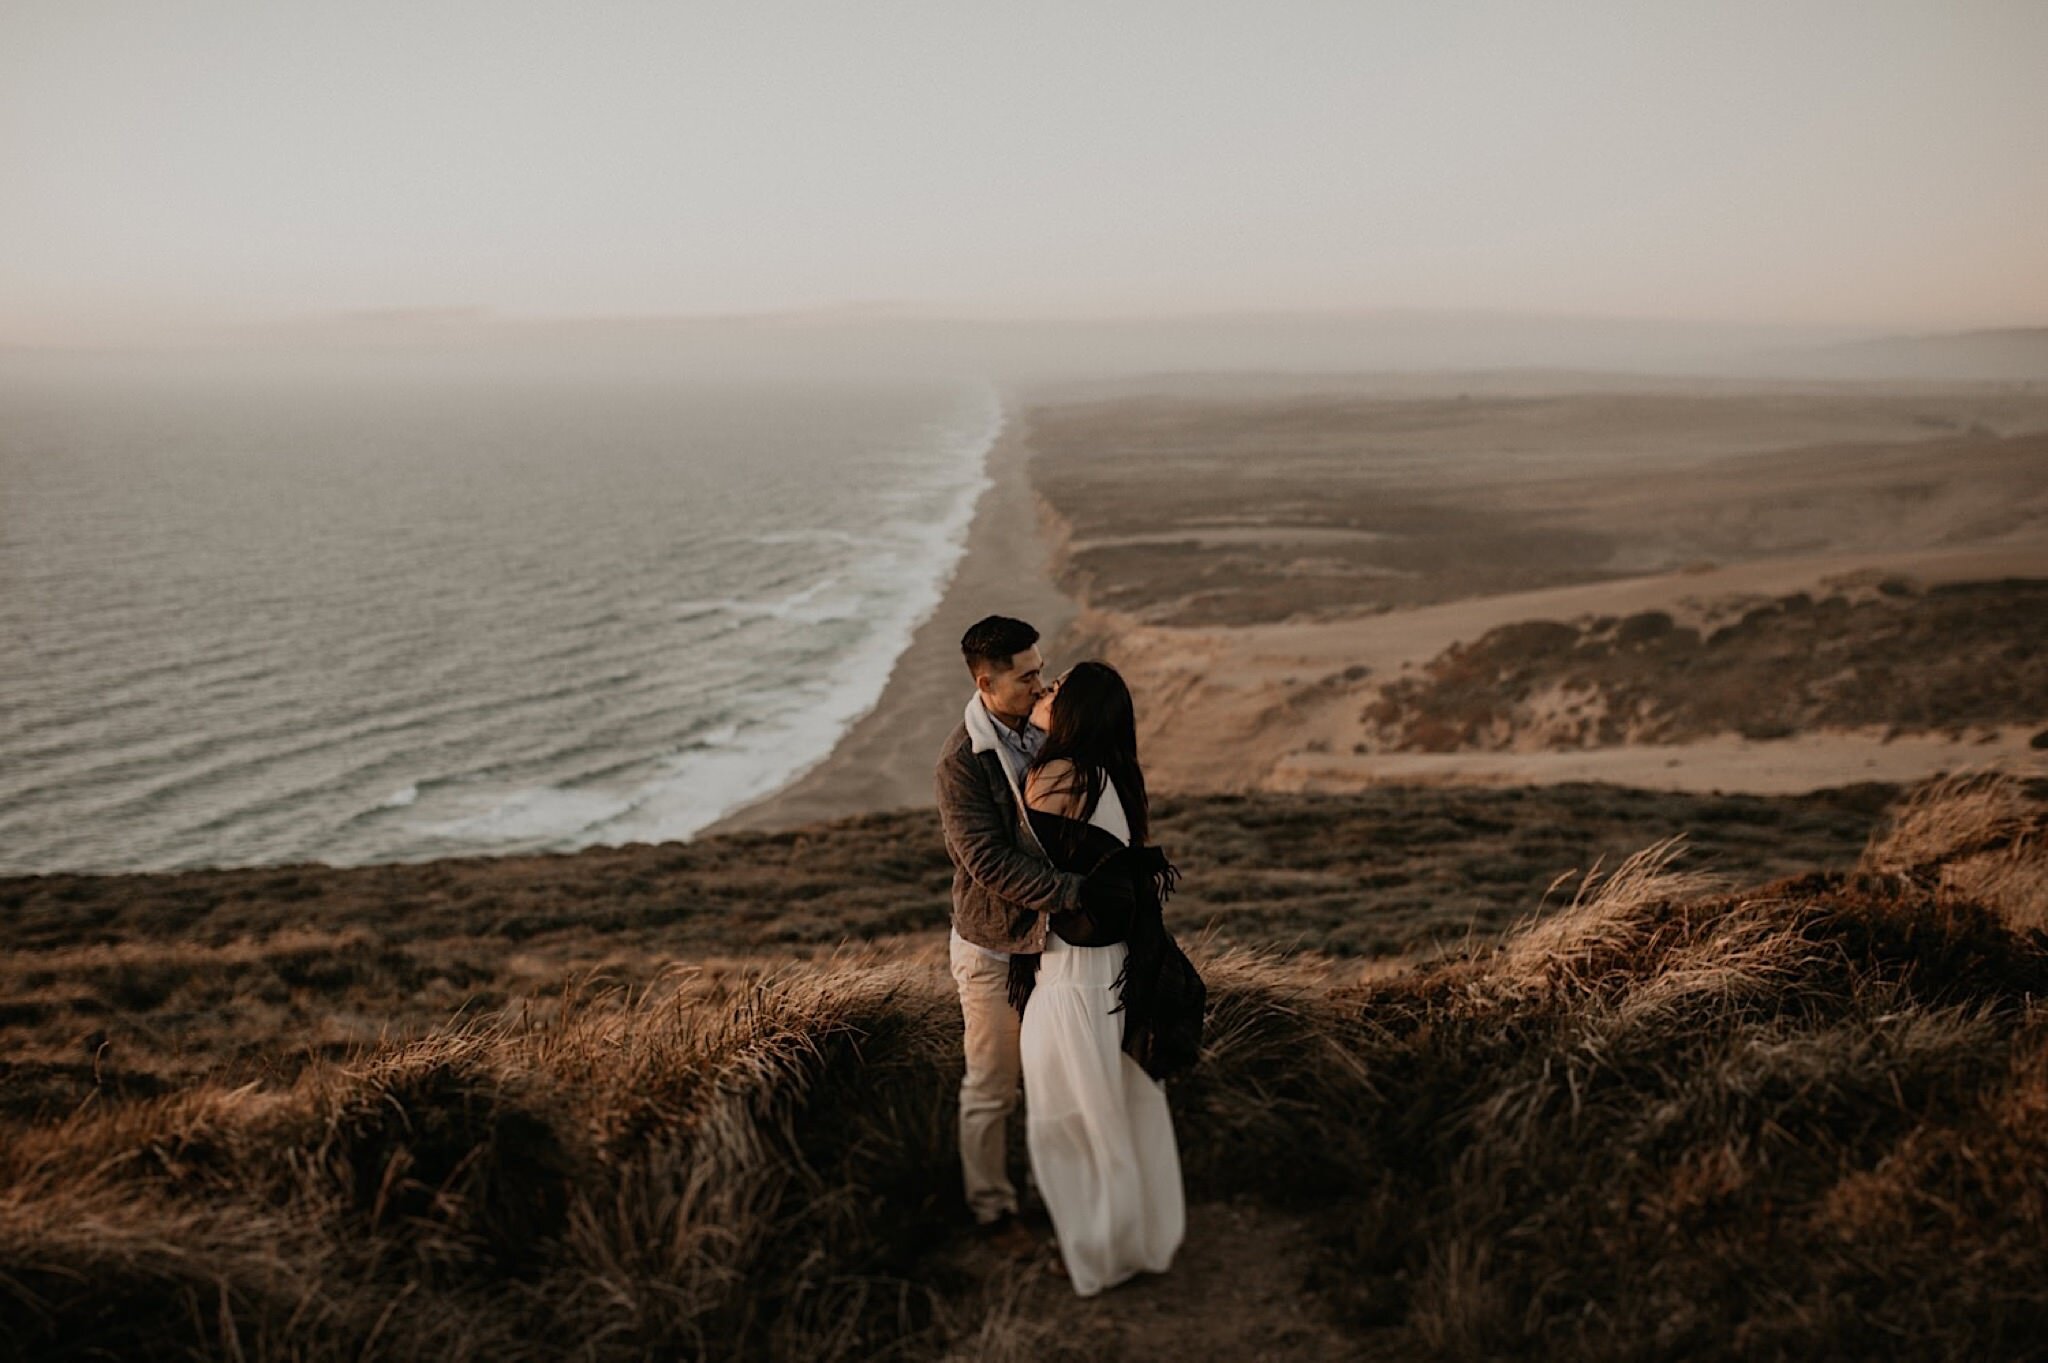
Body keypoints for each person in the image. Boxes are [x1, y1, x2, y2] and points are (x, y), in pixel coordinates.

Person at [1011, 659, 1186, 1295]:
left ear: (1076, 711)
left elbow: (1016, 859)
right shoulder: (1111, 777)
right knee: (1115, 1105)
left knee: (1069, 1115)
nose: (1046, 691)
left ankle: (1100, 1251)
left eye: (1057, 688)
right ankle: (1136, 1236)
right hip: (1107, 967)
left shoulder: (1063, 774)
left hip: (1075, 971)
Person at [934, 614, 1088, 1256]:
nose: (1040, 684)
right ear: (985, 682)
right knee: (993, 1087)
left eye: (1040, 669)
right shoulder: (961, 763)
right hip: (994, 950)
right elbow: (988, 864)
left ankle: (1057, 1192)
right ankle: (993, 1212)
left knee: (1059, 1078)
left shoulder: (1046, 731)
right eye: (1026, 677)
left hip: (1055, 946)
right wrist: (1082, 895)